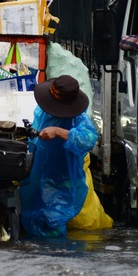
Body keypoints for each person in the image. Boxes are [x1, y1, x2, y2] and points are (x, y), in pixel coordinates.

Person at [19, 75, 102, 238]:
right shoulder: (43, 110)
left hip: (62, 176)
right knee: (33, 215)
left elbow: (89, 138)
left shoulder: (78, 118)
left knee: (53, 219)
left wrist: (58, 132)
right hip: (39, 170)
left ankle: (57, 257)